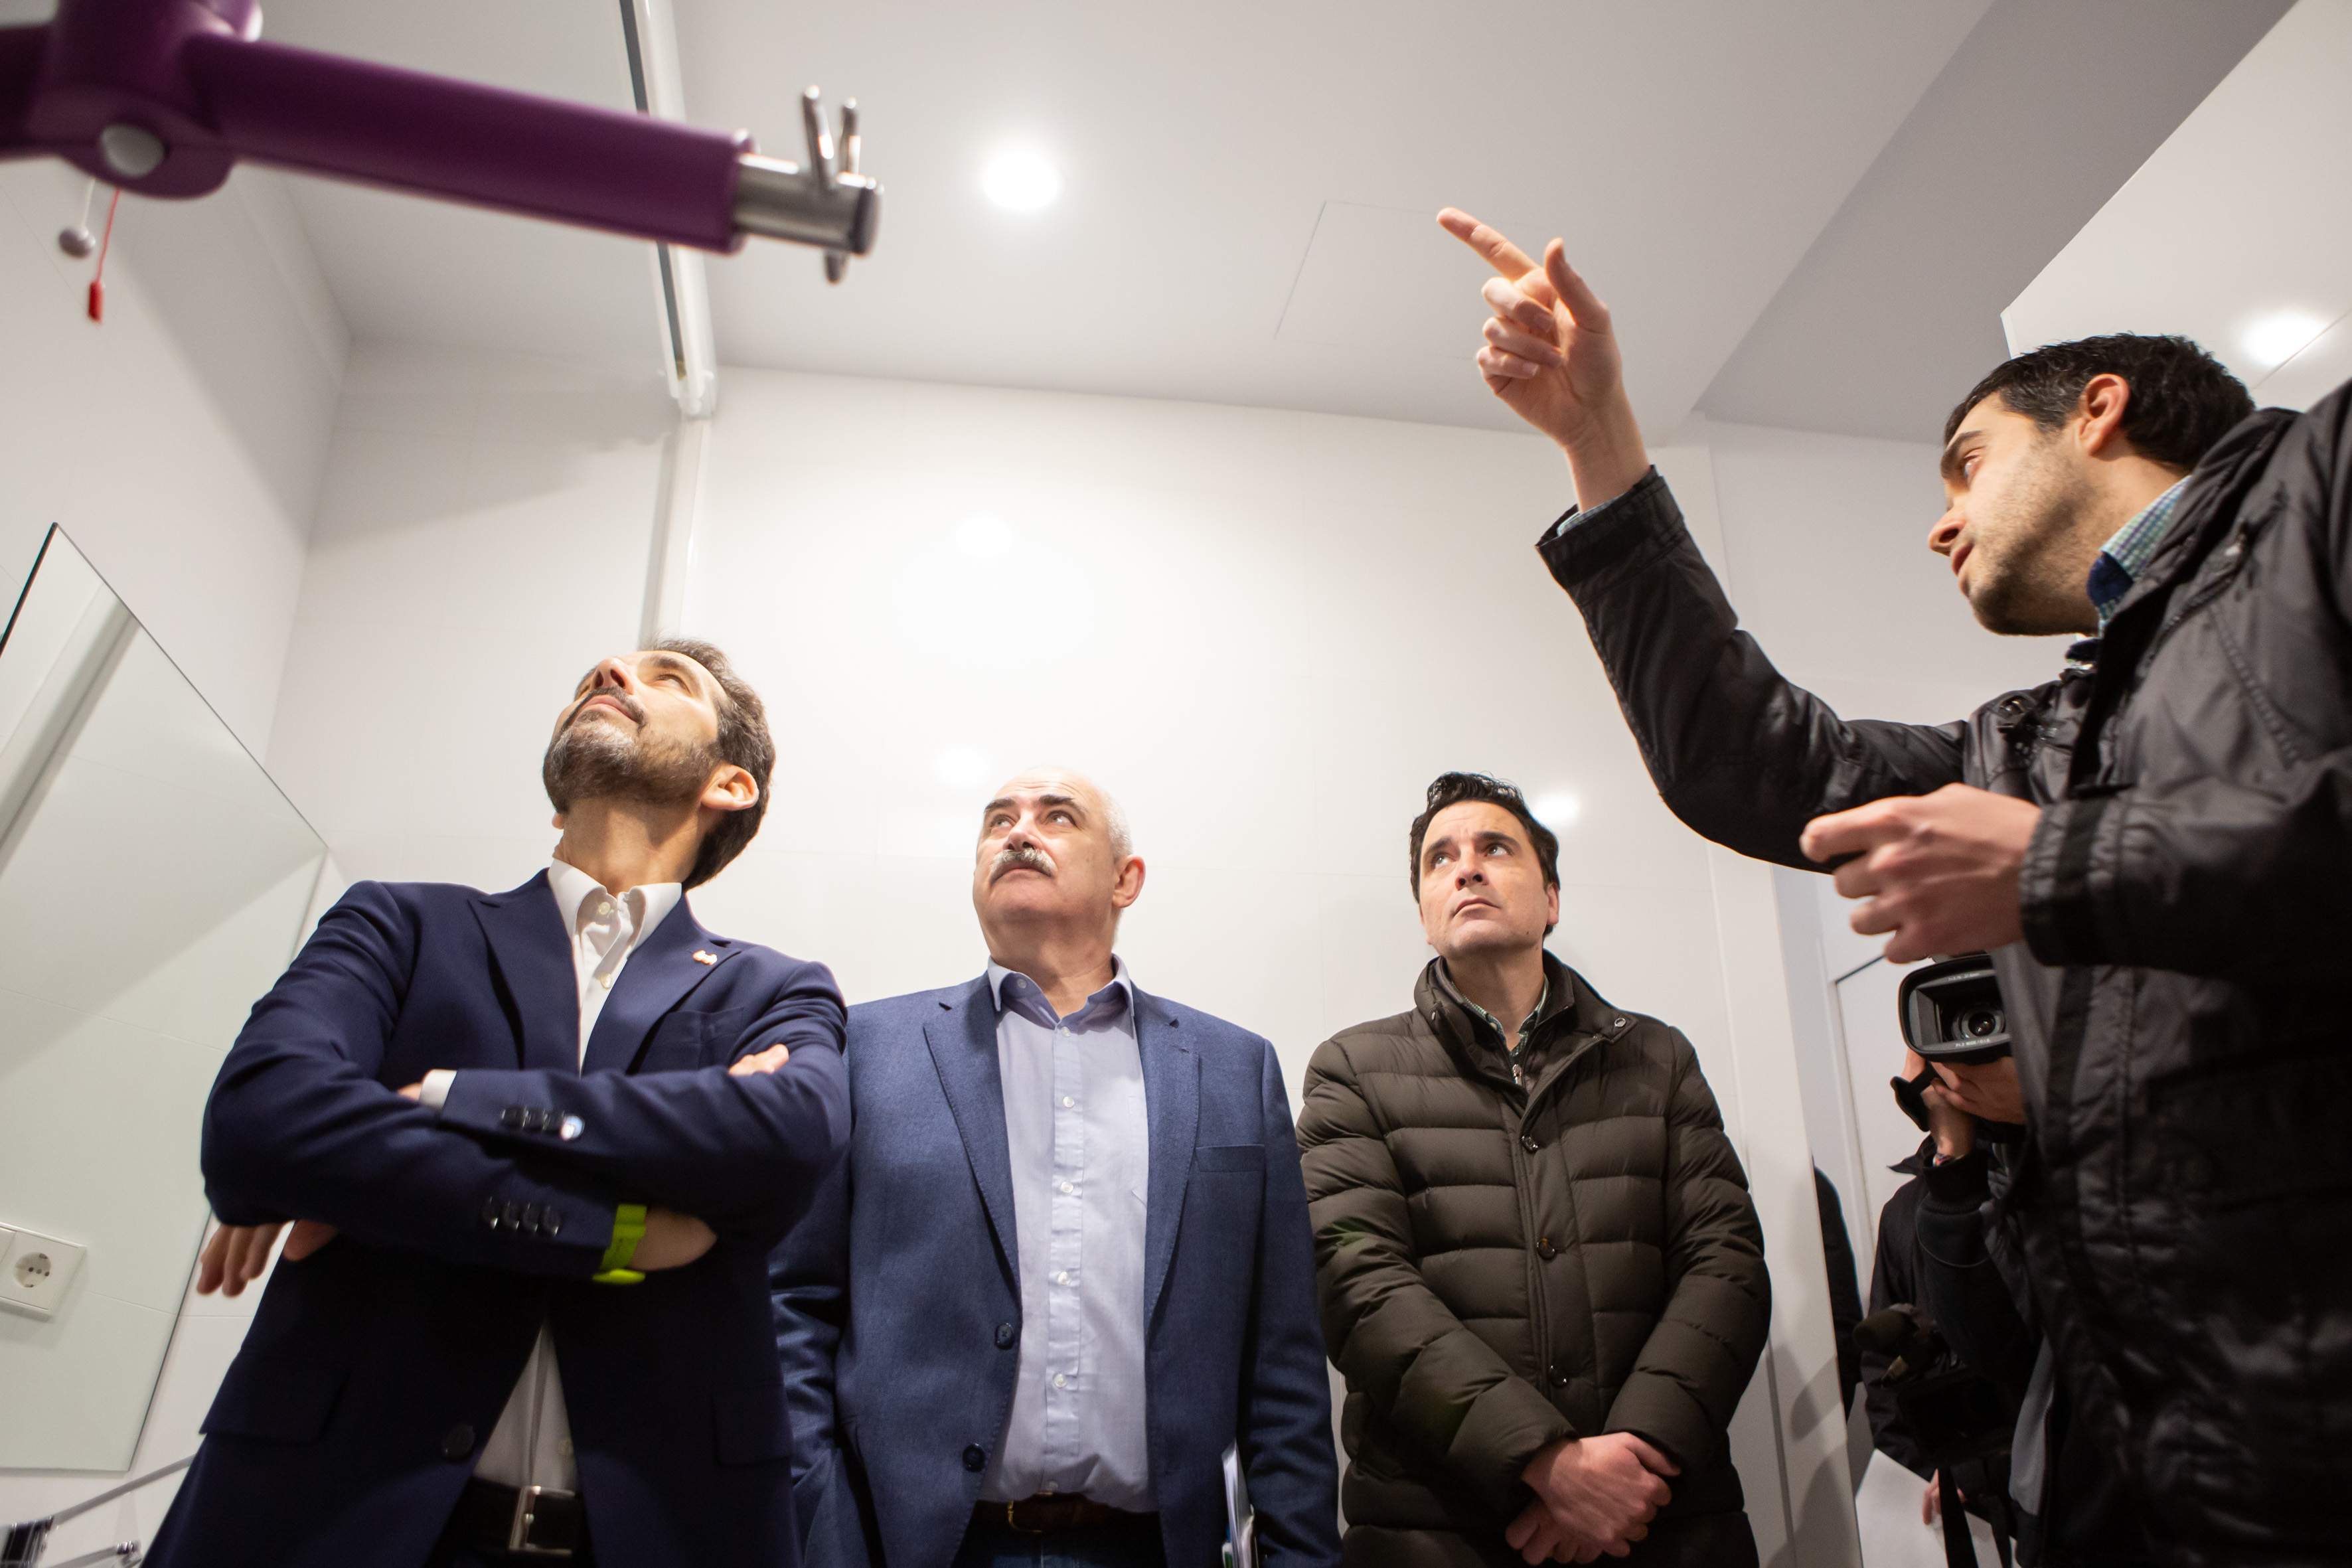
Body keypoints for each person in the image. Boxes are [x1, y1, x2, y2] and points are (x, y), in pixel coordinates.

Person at [1439, 204, 2352, 1561]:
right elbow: (1753, 762)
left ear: (2098, 410)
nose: (1938, 524)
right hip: (2167, 1452)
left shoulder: (2323, 486)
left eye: (1965, 464)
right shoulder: (2029, 739)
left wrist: (2059, 862)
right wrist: (1598, 441)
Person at [151, 641, 850, 1568]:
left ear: (731, 784)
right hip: (322, 1516)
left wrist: (447, 1102)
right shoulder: (397, 923)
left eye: (666, 678)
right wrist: (617, 1232)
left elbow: (785, 1141)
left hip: (664, 1532)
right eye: (596, 675)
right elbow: (261, 1123)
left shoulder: (776, 989)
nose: (610, 673)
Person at [771, 767, 1340, 1568]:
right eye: (997, 819)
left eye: (1058, 816)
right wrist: (822, 1532)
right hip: (913, 1548)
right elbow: (794, 1308)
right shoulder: (865, 1050)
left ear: (1125, 879)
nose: (1018, 831)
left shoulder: (1234, 1068)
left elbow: (1282, 1360)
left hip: (1157, 1548)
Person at [1295, 771, 1767, 1566]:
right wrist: (1543, 1461)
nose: (1466, 869)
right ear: (1424, 914)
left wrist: (1633, 1458)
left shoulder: (1657, 1058)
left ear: (1551, 899)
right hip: (1439, 1530)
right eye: (1441, 858)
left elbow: (1727, 1265)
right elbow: (1357, 1281)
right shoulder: (1352, 1069)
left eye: (1495, 848)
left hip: (1659, 1520)